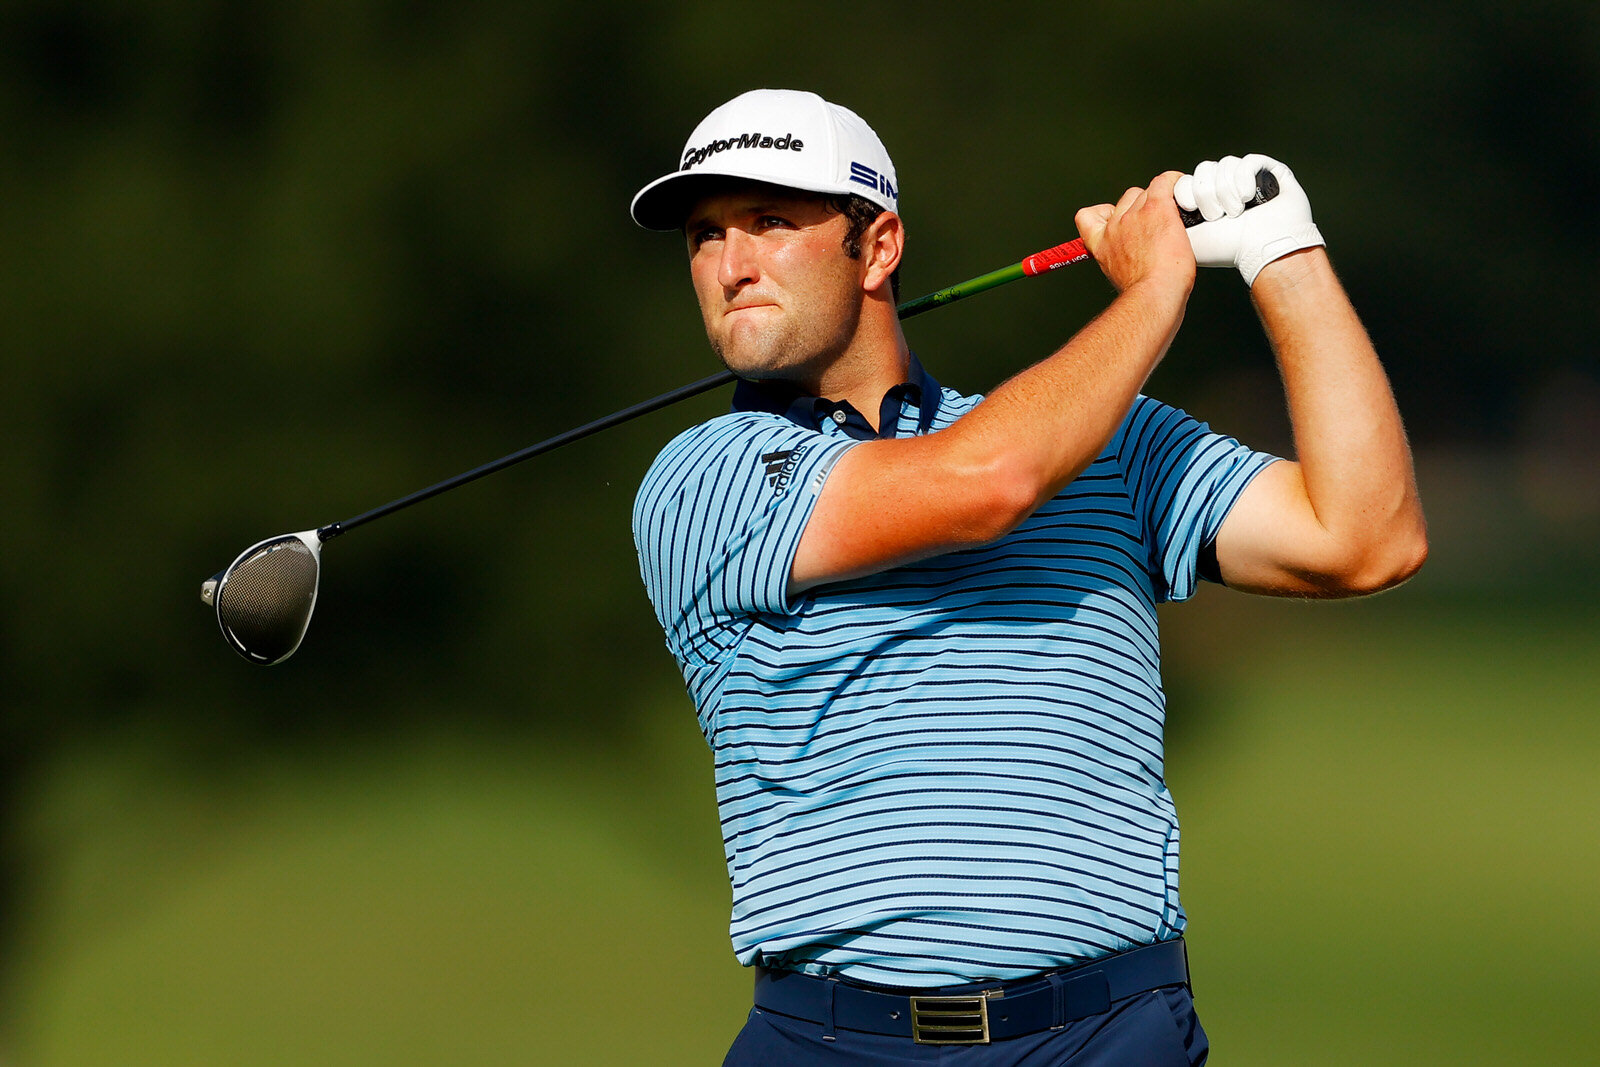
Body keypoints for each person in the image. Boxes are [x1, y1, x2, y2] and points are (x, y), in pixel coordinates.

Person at [628, 88, 1426, 1066]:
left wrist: (1282, 258)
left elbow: (1364, 536)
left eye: (771, 222)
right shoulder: (700, 476)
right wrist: (1151, 289)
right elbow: (987, 481)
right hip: (837, 1043)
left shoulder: (1110, 443)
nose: (732, 263)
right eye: (706, 236)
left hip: (1107, 1032)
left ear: (876, 247)